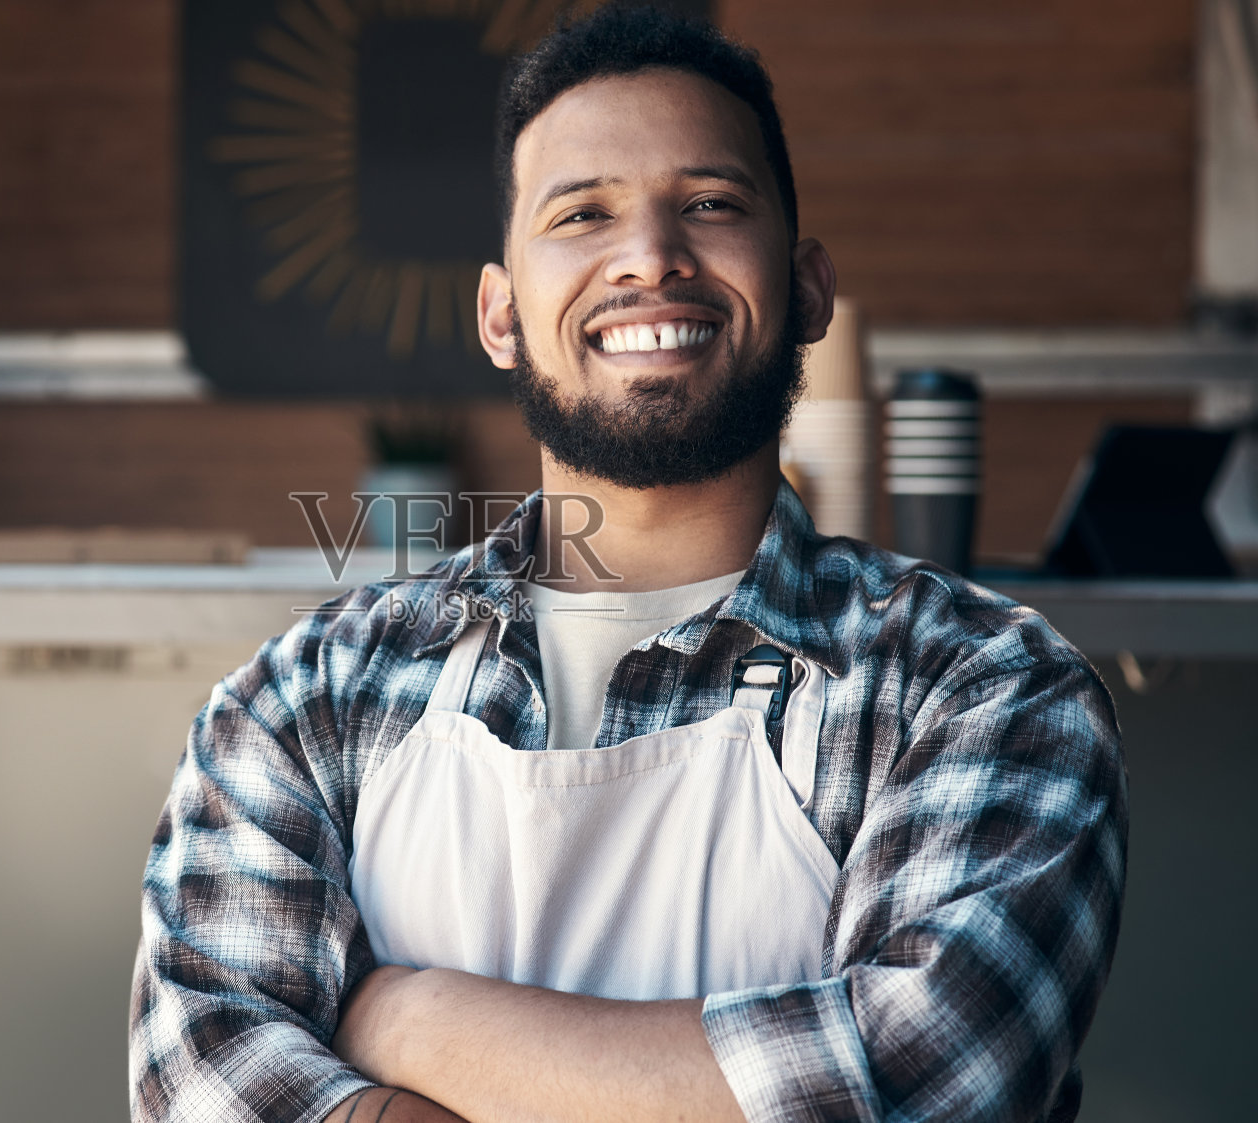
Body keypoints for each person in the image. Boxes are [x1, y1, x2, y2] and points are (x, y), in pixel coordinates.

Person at [129, 8, 1127, 1122]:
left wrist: (400, 1017)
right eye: (582, 213)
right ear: (501, 314)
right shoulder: (312, 692)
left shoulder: (979, 687)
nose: (649, 257)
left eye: (708, 204)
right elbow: (200, 1072)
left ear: (804, 289)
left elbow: (916, 1082)